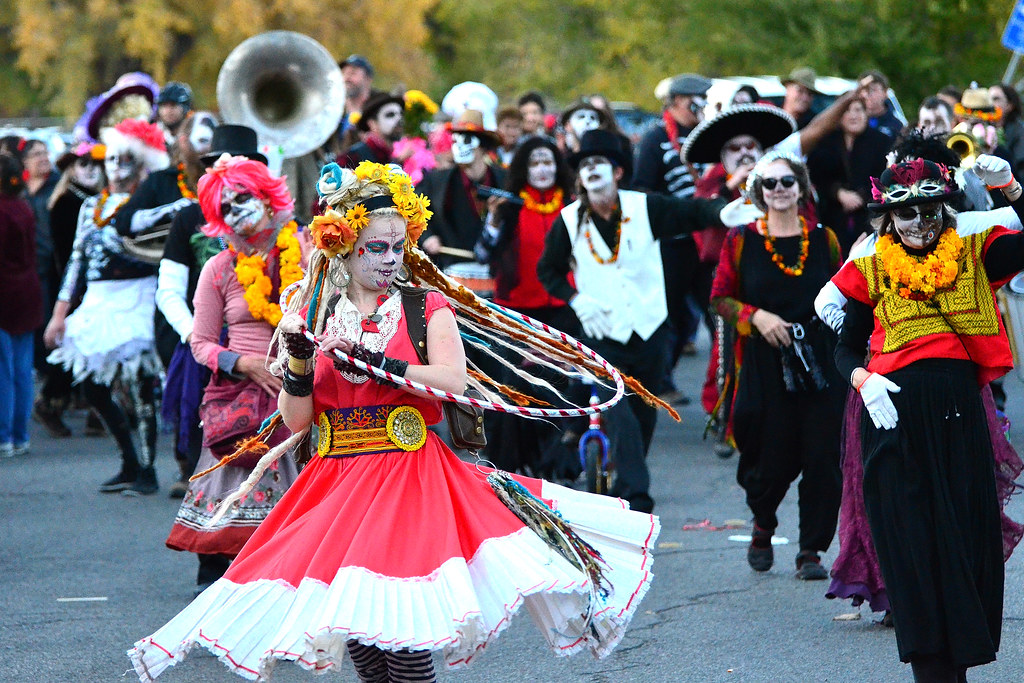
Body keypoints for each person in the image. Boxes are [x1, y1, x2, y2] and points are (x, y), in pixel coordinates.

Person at [130, 159, 660, 682]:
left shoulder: (425, 305)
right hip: (335, 481)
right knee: (362, 639)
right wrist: (295, 360)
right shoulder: (314, 312)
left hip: (409, 476)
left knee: (401, 636)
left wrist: (374, 359)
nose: (388, 259)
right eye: (374, 248)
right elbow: (296, 422)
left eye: (396, 246)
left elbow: (453, 381)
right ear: (343, 247)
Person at [830, 155, 1024, 681]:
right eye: (907, 213)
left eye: (930, 209)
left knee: (962, 539)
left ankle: (955, 667)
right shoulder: (869, 268)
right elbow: (845, 349)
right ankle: (929, 670)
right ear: (888, 219)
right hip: (891, 419)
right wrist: (863, 381)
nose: (920, 222)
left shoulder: (975, 253)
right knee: (909, 543)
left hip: (958, 419)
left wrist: (1009, 186)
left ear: (945, 208)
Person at [538, 129, 726, 512]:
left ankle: (626, 473)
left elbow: (688, 213)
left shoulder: (645, 207)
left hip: (649, 327)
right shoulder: (570, 220)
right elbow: (548, 270)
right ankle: (636, 496)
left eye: (599, 163)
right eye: (585, 165)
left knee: (642, 417)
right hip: (602, 332)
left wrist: (723, 211)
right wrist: (577, 300)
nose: (591, 170)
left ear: (617, 171)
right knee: (618, 406)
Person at [164, 153, 303, 595]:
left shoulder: (310, 253)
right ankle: (224, 601)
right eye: (224, 206)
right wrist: (243, 363)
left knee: (303, 515)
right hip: (240, 401)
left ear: (266, 196)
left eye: (242, 198)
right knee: (230, 525)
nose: (234, 211)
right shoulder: (219, 268)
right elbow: (200, 341)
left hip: (302, 391)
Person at [710, 150, 845, 579]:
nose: (779, 190)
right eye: (770, 183)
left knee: (824, 457)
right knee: (767, 455)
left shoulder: (824, 239)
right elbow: (720, 299)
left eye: (787, 182)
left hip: (820, 361)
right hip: (766, 363)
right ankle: (763, 525)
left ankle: (811, 551)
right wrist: (757, 318)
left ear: (802, 188)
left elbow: (846, 291)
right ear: (758, 192)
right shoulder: (741, 240)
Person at [43, 118, 169, 495]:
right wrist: (59, 314)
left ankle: (147, 471)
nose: (115, 166)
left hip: (138, 295)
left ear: (139, 164)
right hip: (99, 301)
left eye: (124, 158)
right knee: (94, 386)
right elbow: (76, 263)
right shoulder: (90, 207)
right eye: (109, 159)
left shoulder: (150, 205)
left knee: (138, 384)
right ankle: (130, 462)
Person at [157, 124, 263, 499]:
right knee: (201, 416)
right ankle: (195, 476)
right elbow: (168, 288)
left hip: (259, 340)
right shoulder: (188, 218)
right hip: (201, 337)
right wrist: (193, 334)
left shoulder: (276, 225)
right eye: (222, 167)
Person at [474, 136, 578, 478]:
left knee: (561, 384)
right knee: (513, 386)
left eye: (548, 162)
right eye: (535, 163)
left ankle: (557, 462)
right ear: (523, 170)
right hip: (517, 310)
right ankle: (506, 466)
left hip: (564, 308)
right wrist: (492, 222)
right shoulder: (510, 206)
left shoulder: (574, 206)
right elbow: (483, 254)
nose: (543, 169)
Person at [633, 73, 713, 397]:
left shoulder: (707, 135)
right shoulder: (655, 138)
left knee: (717, 312)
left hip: (707, 243)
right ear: (679, 100)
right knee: (670, 316)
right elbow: (641, 188)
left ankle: (724, 388)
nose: (702, 105)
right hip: (672, 244)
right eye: (697, 98)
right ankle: (659, 382)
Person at [416, 109, 505, 269]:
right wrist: (427, 236)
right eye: (455, 141)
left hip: (496, 272)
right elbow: (414, 209)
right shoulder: (436, 180)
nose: (459, 147)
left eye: (467, 140)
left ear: (483, 146)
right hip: (452, 270)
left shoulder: (504, 179)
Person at [0, 153, 43, 458]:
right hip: (27, 290)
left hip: (3, 293)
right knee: (21, 368)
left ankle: (4, 436)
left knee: (3, 370)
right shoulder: (24, 208)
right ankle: (20, 434)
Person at [807, 98, 891, 253]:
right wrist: (838, 193)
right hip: (833, 218)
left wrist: (861, 196)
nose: (853, 115)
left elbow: (885, 177)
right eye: (847, 110)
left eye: (858, 110)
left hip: (869, 217)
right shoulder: (826, 141)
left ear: (866, 114)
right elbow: (817, 175)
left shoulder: (882, 142)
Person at [338, 91, 406, 168]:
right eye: (390, 115)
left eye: (401, 114)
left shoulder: (405, 156)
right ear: (372, 123)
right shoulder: (351, 158)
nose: (399, 119)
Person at [989, 83, 1024, 177]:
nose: (990, 103)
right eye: (987, 98)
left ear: (1010, 105)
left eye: (996, 99)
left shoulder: (1020, 132)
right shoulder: (983, 128)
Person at [857, 70, 903, 141]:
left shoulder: (896, 125)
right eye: (864, 90)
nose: (867, 95)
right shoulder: (853, 120)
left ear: (885, 93)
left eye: (873, 90)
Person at [155, 81, 193, 147]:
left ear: (185, 108)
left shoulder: (194, 136)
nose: (168, 110)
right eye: (164, 105)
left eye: (173, 105)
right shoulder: (152, 136)